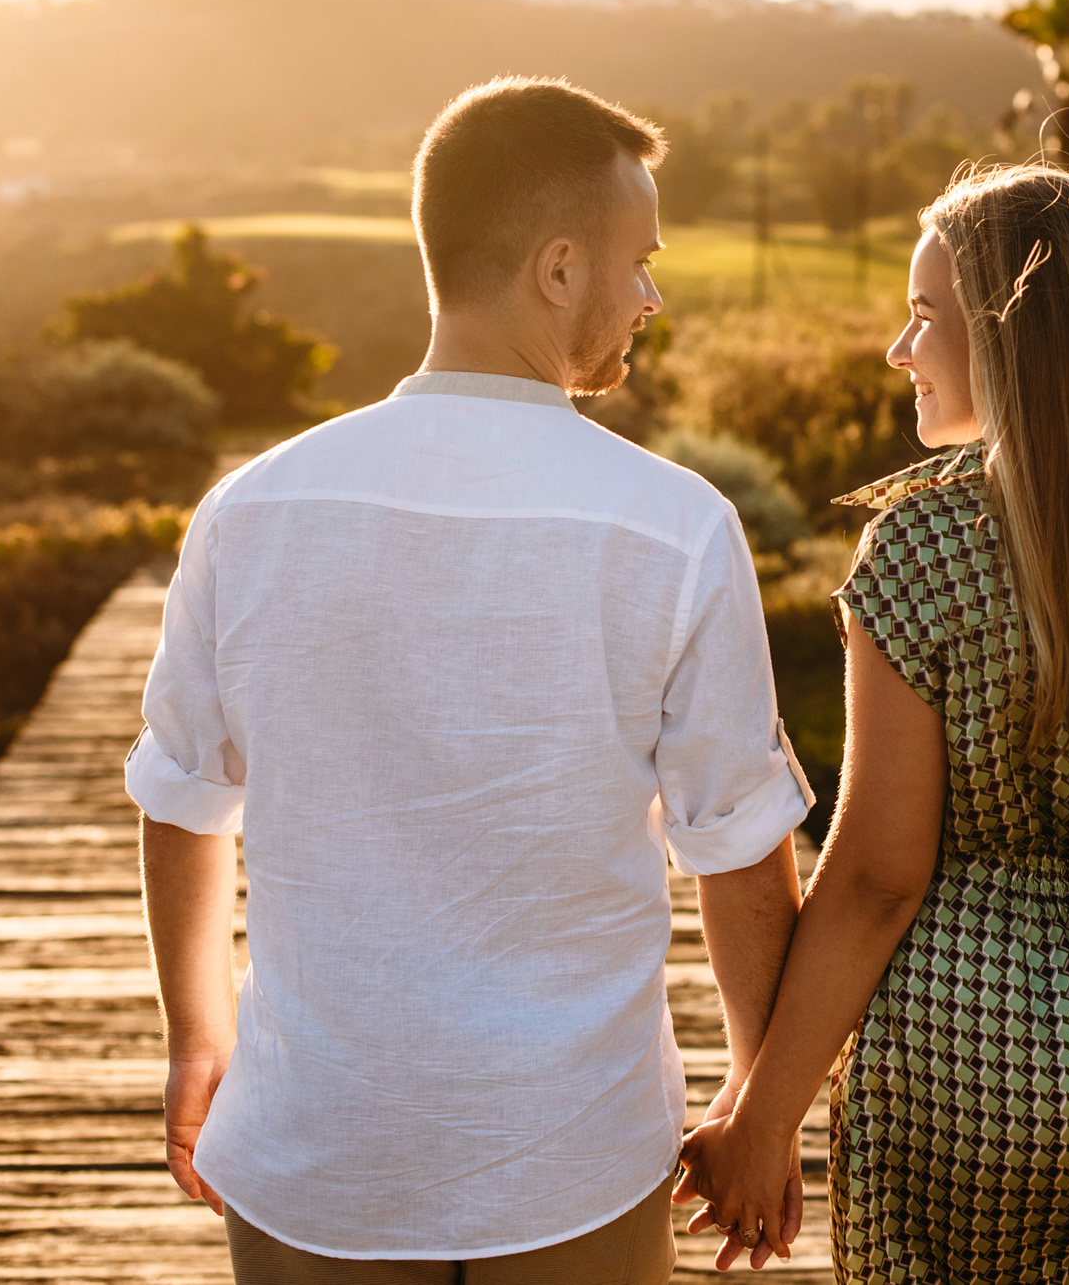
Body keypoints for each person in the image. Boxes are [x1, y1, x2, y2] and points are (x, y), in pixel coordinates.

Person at [130, 76, 813, 1284]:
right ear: (558, 271)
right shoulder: (673, 526)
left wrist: (198, 1040)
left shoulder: (249, 511)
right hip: (574, 1146)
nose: (650, 296)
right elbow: (739, 855)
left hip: (312, 1142)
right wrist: (762, 1105)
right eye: (637, 261)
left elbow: (182, 797)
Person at [678, 164, 1069, 1281]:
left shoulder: (925, 549)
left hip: (966, 1083)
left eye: (923, 317)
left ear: (1012, 340)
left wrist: (762, 1118)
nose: (897, 350)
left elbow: (876, 878)